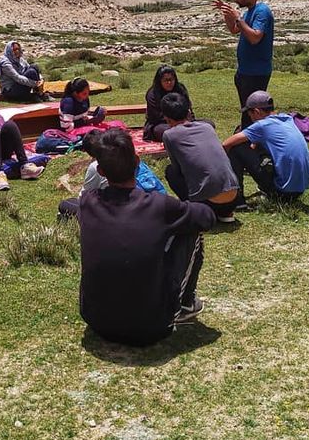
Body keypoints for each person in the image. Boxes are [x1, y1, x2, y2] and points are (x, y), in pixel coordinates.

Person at [67, 128, 216, 346]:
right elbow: (207, 218)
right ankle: (184, 304)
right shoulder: (159, 205)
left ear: (100, 171)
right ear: (137, 161)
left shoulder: (89, 201)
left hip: (95, 319)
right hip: (151, 326)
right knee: (192, 232)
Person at [221, 91, 309, 209]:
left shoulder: (262, 126)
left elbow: (226, 144)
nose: (250, 117)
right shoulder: (287, 119)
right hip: (299, 190)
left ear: (257, 112)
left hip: (282, 192)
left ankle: (237, 201)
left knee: (236, 148)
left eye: (250, 113)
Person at [160, 92, 239, 223]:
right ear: (188, 112)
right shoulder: (207, 127)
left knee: (171, 172)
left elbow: (178, 169)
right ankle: (225, 213)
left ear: (167, 118)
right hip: (233, 198)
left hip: (207, 203)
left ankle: (196, 211)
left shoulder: (169, 135)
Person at [212, 0, 274, 128]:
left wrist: (238, 17)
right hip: (245, 71)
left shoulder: (262, 11)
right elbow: (234, 30)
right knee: (247, 110)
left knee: (253, 112)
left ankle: (251, 143)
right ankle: (248, 140)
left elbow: (254, 37)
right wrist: (228, 14)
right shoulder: (249, 12)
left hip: (256, 73)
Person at [143, 65, 194, 142]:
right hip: (162, 124)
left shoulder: (180, 89)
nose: (169, 83)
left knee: (208, 124)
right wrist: (176, 121)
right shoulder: (152, 94)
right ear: (160, 81)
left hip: (183, 121)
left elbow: (187, 107)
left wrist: (188, 118)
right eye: (166, 80)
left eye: (171, 79)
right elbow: (156, 116)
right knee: (166, 131)